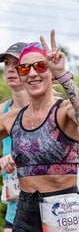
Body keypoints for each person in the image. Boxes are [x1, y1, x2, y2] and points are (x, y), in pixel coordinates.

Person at [0, 32, 79, 232]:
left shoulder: (64, 111)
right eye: (25, 68)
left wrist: (63, 75)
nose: (33, 73)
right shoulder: (10, 118)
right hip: (25, 212)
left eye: (40, 66)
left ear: (51, 73)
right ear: (20, 75)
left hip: (64, 209)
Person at [0, 42, 28, 232]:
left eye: (15, 63)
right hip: (15, 207)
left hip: (49, 205)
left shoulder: (52, 108)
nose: (10, 69)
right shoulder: (3, 110)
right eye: (6, 64)